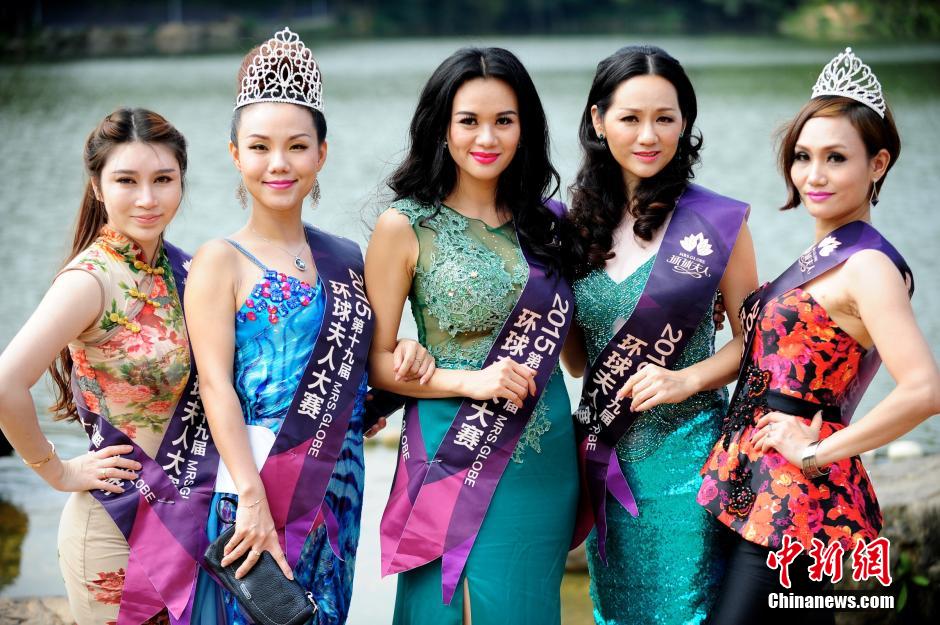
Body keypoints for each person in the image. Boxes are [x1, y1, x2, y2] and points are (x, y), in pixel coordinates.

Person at [621, 48, 940, 624]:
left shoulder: (868, 266)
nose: (814, 175)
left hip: (797, 500)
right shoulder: (825, 255)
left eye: (836, 158)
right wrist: (684, 378)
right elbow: (772, 358)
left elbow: (923, 390)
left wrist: (817, 451)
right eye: (803, 156)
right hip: (759, 485)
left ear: (878, 164)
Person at [186, 28, 431, 625]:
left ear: (322, 154)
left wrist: (409, 355)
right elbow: (214, 386)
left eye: (297, 146)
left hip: (339, 486)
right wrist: (250, 495)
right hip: (256, 491)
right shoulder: (219, 261)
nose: (279, 163)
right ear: (235, 154)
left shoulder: (346, 257)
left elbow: (363, 371)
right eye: (260, 147)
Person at [367, 47, 578, 624]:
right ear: (442, 127)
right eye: (469, 121)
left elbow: (578, 357)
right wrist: (467, 380)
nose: (487, 137)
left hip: (546, 461)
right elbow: (375, 365)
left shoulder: (552, 223)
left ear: (524, 128)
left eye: (504, 120)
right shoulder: (405, 225)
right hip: (453, 450)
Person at [562, 45, 757, 625]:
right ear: (599, 121)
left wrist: (685, 379)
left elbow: (755, 345)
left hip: (691, 461)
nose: (649, 136)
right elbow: (577, 363)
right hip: (605, 459)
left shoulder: (717, 223)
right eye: (630, 118)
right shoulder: (573, 227)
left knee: (687, 609)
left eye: (665, 118)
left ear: (684, 122)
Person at [0, 108, 204, 624]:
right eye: (126, 180)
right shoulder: (90, 280)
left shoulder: (186, 270)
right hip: (116, 530)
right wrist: (57, 470)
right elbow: (6, 383)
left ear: (182, 181)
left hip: (192, 520)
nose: (147, 198)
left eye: (163, 179)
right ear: (97, 186)